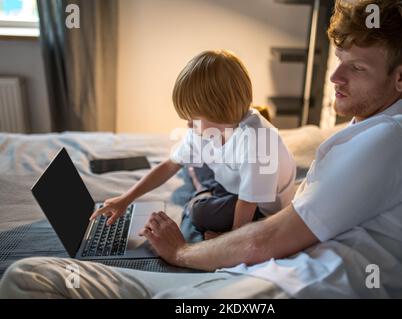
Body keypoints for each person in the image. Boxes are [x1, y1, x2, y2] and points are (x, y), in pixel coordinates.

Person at [0, 0, 402, 298]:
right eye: (339, 61)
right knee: (33, 274)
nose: (334, 78)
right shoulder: (371, 134)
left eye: (356, 68)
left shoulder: (391, 140)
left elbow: (268, 234)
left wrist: (179, 254)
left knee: (28, 277)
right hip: (272, 271)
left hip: (291, 288)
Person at [90, 49, 296, 238]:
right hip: (233, 179)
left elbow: (248, 203)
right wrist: (126, 199)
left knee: (200, 213)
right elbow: (170, 164)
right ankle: (203, 187)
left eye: (193, 118)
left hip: (259, 206)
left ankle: (201, 191)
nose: (188, 124)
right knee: (188, 164)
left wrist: (229, 239)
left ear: (219, 110)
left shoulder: (259, 142)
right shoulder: (209, 129)